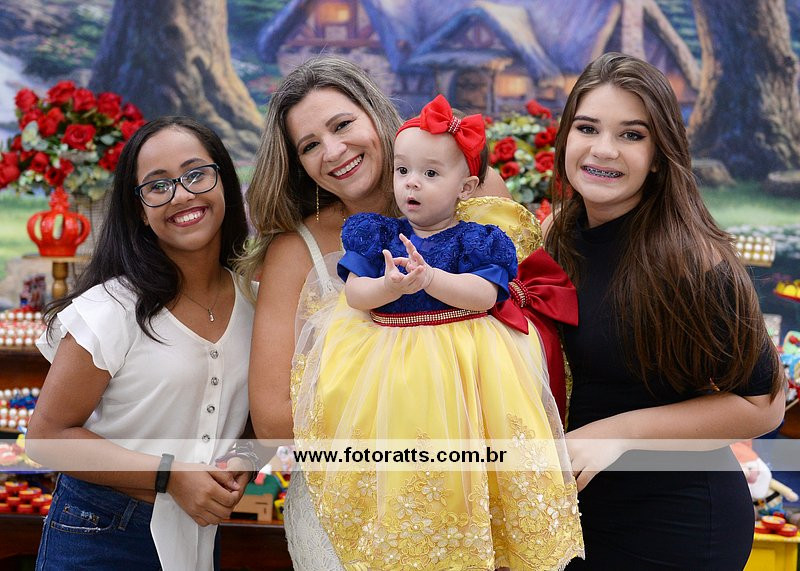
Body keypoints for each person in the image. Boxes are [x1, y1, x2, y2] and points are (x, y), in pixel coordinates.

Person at [238, 56, 540, 570]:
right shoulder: (295, 251)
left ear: (375, 114)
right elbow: (273, 421)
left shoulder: (477, 198)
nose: (333, 151)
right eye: (310, 145)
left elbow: (526, 325)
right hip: (348, 509)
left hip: (473, 492)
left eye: (342, 125)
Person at [291, 93, 583, 570]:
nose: (412, 183)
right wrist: (388, 285)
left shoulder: (477, 238)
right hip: (391, 370)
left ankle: (469, 530)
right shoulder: (378, 235)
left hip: (464, 369)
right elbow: (355, 294)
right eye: (403, 170)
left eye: (431, 173)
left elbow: (486, 296)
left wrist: (431, 279)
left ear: (466, 187)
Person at [542, 53, 784, 568]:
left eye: (631, 134)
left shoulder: (693, 263)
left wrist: (618, 433)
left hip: (675, 524)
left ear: (658, 155)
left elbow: (766, 404)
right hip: (573, 517)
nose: (603, 149)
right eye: (588, 128)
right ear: (565, 138)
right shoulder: (554, 234)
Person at [27, 116, 258, 570]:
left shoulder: (258, 302)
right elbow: (46, 438)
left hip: (196, 533)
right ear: (139, 210)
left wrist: (245, 459)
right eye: (158, 186)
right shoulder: (111, 307)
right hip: (99, 533)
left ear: (224, 183)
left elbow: (261, 413)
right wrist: (169, 476)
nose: (182, 195)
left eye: (196, 174)